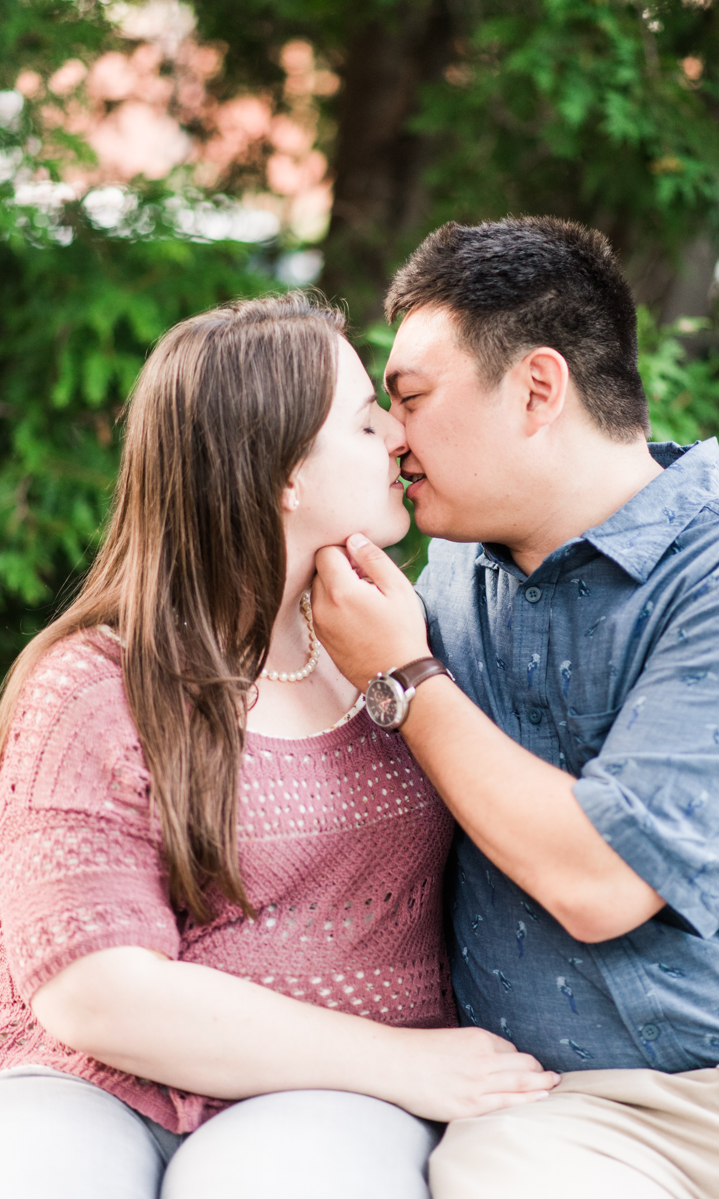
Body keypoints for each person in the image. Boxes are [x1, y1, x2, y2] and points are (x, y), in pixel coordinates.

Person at [0, 293, 557, 1199]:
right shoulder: (95, 683)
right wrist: (407, 1062)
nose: (397, 440)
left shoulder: (405, 641)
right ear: (282, 475)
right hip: (94, 1080)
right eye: (364, 420)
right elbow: (90, 991)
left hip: (331, 1097)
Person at [312, 217, 719, 1199]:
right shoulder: (431, 583)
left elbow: (603, 881)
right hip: (565, 1112)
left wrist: (406, 680)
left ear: (538, 387)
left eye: (409, 398)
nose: (392, 435)